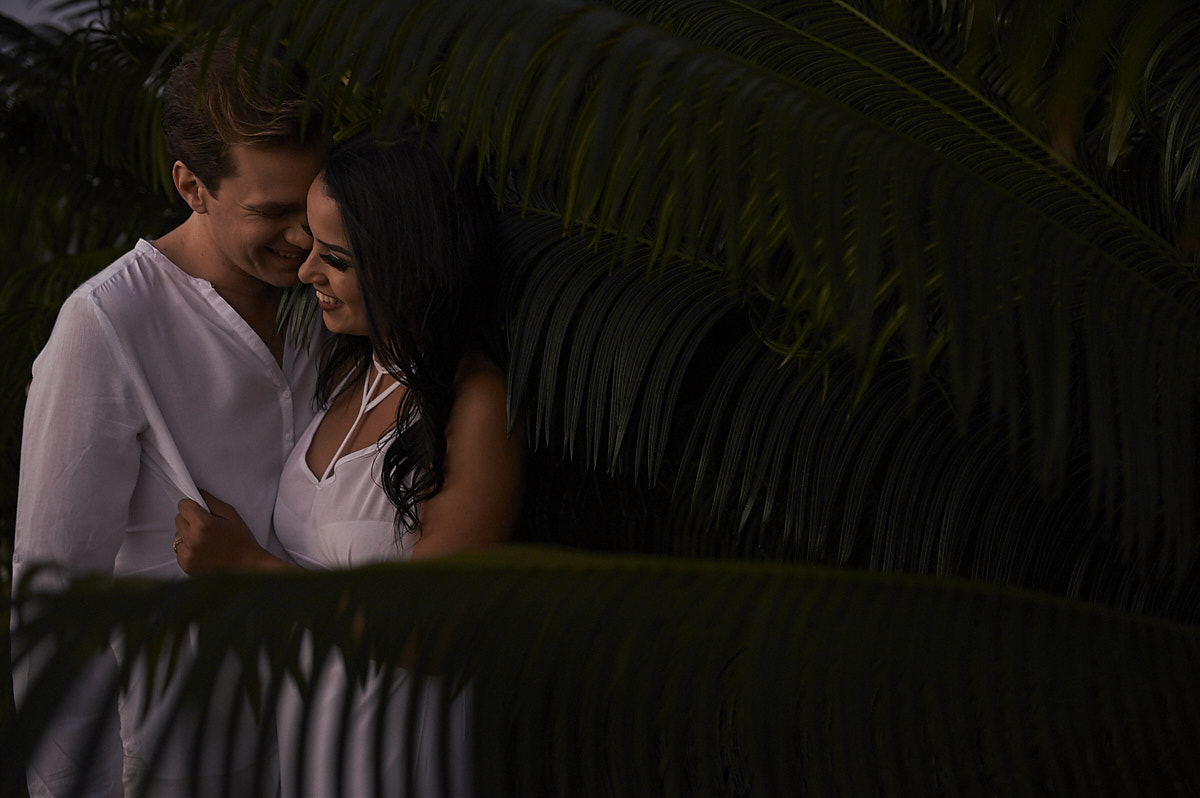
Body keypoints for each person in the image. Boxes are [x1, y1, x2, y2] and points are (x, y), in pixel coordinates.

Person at [11, 38, 327, 797]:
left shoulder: (339, 295)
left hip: (337, 739)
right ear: (191, 185)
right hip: (183, 759)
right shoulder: (106, 323)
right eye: (272, 212)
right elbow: (56, 597)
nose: (304, 237)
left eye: (311, 201)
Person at [172, 130, 526, 796]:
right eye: (311, 244)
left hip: (400, 763)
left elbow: (431, 632)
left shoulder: (472, 406)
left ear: (403, 263)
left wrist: (248, 567)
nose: (306, 273)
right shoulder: (342, 378)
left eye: (333, 259)